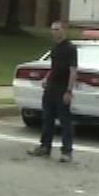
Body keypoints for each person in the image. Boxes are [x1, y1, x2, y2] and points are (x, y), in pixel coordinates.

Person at [29, 21, 77, 162]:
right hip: (51, 88)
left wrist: (69, 91)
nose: (54, 32)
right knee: (47, 118)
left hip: (62, 89)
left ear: (63, 30)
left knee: (65, 121)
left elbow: (73, 70)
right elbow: (54, 67)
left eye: (57, 29)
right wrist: (46, 78)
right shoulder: (55, 48)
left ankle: (66, 151)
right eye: (52, 29)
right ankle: (45, 147)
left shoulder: (70, 48)